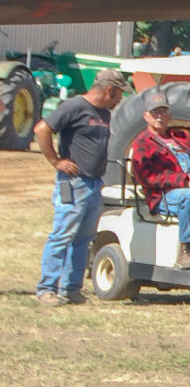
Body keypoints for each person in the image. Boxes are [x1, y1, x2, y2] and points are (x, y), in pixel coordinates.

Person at [33, 67, 129, 305]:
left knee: (84, 238)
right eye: (119, 94)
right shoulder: (74, 107)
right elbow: (41, 129)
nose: (120, 99)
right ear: (109, 90)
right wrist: (56, 161)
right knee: (62, 234)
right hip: (73, 183)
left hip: (95, 183)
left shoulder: (104, 114)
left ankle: (71, 288)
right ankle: (47, 288)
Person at [129, 89, 190, 268]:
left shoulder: (182, 137)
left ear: (169, 114)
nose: (159, 116)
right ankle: (185, 251)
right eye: (154, 112)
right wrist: (183, 180)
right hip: (165, 195)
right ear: (146, 116)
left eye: (163, 111)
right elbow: (147, 176)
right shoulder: (142, 143)